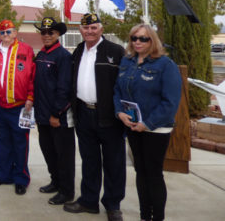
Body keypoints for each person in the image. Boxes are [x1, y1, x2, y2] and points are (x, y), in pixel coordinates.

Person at [114, 24, 181, 221]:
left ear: (153, 40)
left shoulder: (166, 65)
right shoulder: (127, 61)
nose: (138, 42)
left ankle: (157, 217)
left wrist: (148, 123)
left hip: (156, 129)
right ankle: (145, 215)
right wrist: (120, 112)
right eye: (134, 38)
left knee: (153, 173)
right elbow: (117, 90)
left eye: (143, 38)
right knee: (140, 172)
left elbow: (170, 103)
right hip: (133, 126)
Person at [63, 13, 126, 221]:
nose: (89, 31)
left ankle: (113, 205)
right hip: (84, 114)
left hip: (109, 117)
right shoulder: (78, 50)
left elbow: (123, 85)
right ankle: (88, 201)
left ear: (101, 29)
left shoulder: (115, 51)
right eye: (85, 28)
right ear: (80, 30)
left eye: (93, 28)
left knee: (113, 163)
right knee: (89, 161)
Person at [0, 19, 35, 195]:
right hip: (0, 106)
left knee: (20, 144)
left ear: (15, 33)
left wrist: (31, 96)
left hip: (20, 106)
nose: (5, 35)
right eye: (2, 32)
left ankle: (21, 178)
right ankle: (4, 175)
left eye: (8, 32)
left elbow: (32, 76)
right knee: (4, 143)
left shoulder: (26, 50)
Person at [33, 17, 75, 206]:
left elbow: (64, 88)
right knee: (49, 152)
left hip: (58, 117)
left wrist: (56, 114)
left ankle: (66, 191)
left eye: (50, 32)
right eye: (43, 32)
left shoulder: (63, 56)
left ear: (58, 34)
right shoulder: (41, 54)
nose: (46, 35)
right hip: (42, 115)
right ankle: (55, 182)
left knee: (63, 155)